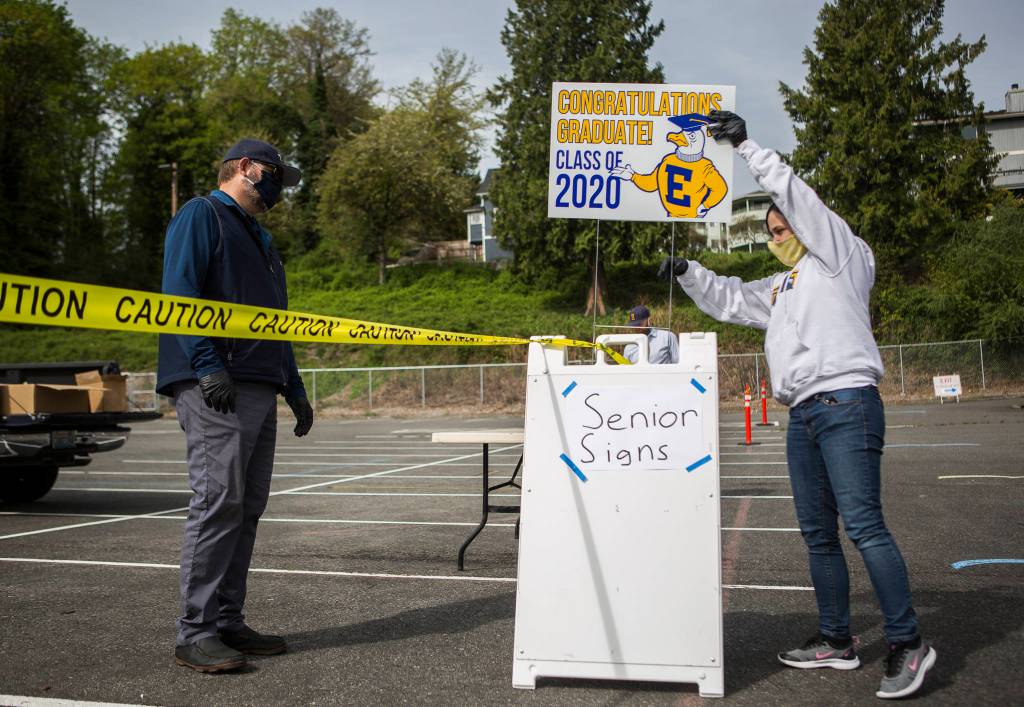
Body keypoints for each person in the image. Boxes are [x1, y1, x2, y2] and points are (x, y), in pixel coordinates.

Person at [658, 110, 935, 700]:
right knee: (817, 533)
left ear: (808, 225)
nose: (775, 233)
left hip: (846, 403)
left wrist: (745, 147)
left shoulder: (840, 254)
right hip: (803, 413)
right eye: (769, 230)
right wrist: (688, 272)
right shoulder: (782, 286)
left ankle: (909, 644)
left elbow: (794, 193)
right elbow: (732, 300)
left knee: (863, 525)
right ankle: (836, 640)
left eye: (781, 226)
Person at [156, 138, 315, 673]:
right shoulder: (202, 216)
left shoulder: (262, 240)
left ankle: (227, 621)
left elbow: (276, 322)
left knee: (246, 509)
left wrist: (292, 384)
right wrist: (204, 363)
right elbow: (180, 294)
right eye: (273, 175)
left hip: (258, 383)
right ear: (244, 168)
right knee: (218, 502)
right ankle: (194, 632)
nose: (278, 189)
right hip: (215, 383)